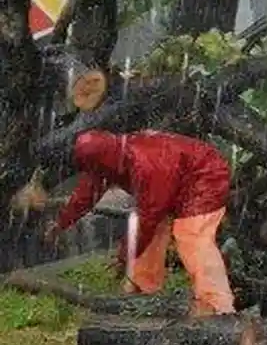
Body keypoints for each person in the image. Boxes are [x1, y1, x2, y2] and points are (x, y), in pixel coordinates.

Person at [44, 129, 236, 317]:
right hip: (179, 177)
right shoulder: (108, 157)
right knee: (153, 227)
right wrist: (61, 222)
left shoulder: (145, 163)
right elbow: (86, 195)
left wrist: (124, 256)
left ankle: (218, 305)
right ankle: (143, 287)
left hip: (206, 175)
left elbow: (148, 217)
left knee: (191, 233)